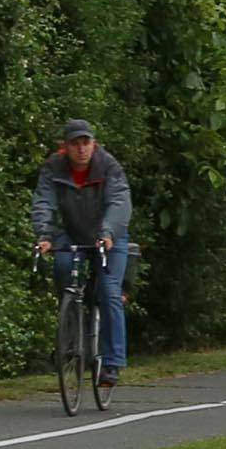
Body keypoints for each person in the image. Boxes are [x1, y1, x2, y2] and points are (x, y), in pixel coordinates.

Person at [31, 117, 132, 388]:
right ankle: (72, 320)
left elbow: (119, 202)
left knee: (109, 291)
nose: (81, 149)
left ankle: (112, 363)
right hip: (73, 233)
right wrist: (44, 235)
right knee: (63, 268)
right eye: (75, 144)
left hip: (109, 235)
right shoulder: (53, 167)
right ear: (65, 147)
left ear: (93, 143)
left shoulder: (108, 166)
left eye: (86, 142)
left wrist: (108, 232)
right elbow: (44, 202)